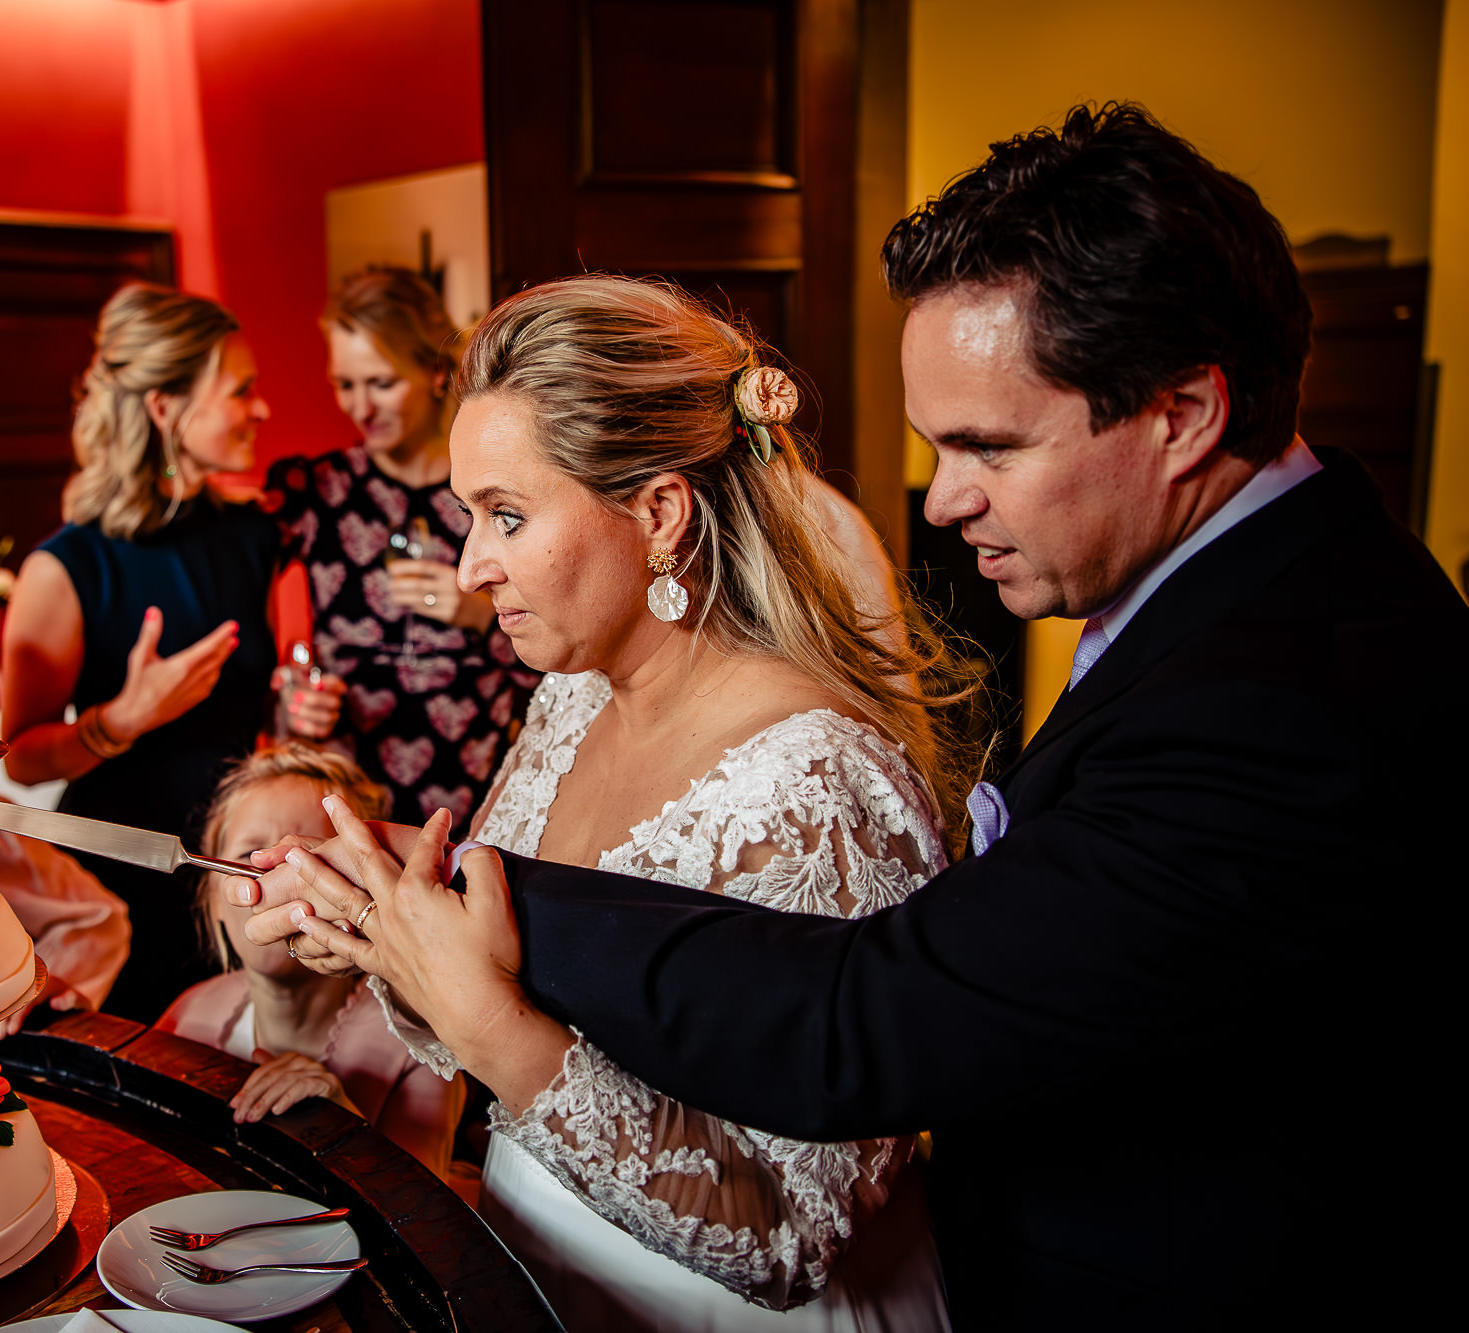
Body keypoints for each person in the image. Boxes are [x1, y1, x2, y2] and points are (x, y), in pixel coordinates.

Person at [246, 104, 1465, 1329]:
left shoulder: (1283, 695)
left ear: (1183, 418)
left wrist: (475, 933)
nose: (939, 504)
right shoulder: (571, 697)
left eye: (985, 446)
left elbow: (854, 1036)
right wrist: (396, 938)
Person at [293, 274, 962, 1329]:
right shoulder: (565, 700)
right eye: (471, 516)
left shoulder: (822, 786)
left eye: (504, 515)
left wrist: (483, 1019)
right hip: (535, 1277)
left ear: (656, 513)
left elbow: (793, 1234)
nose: (471, 568)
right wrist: (390, 935)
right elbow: (513, 984)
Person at [0, 283, 335, 1021]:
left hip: (234, 871)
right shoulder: (66, 568)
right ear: (164, 408)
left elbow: (264, 696)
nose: (262, 409)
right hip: (121, 875)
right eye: (241, 390)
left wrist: (298, 710)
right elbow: (20, 755)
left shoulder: (259, 537)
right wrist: (119, 719)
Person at [264, 267, 540, 825]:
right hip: (349, 788)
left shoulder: (492, 492)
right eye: (345, 384)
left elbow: (563, 658)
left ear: (435, 371)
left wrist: (479, 615)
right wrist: (294, 697)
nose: (360, 407)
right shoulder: (316, 492)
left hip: (476, 783)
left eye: (381, 383)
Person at [153, 744, 465, 1182]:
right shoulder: (187, 1017)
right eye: (250, 854)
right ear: (212, 898)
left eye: (310, 860)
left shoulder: (417, 1052)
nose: (271, 880)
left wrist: (345, 1131)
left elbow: (427, 1230)